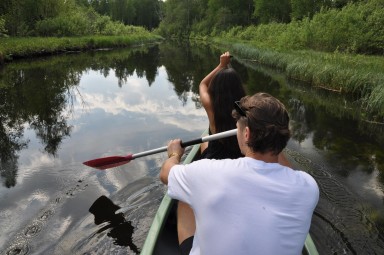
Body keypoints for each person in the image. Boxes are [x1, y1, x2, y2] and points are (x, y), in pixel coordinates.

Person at [160, 92, 320, 255]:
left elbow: (166, 173)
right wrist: (275, 140)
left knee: (184, 199)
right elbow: (287, 171)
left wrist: (175, 154)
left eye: (238, 129)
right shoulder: (308, 186)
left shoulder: (208, 172)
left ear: (246, 134)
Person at [176, 52, 247, 254]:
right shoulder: (248, 109)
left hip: (216, 158)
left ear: (219, 90)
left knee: (204, 146)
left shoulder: (212, 107)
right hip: (240, 158)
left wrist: (220, 65)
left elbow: (202, 84)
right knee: (204, 145)